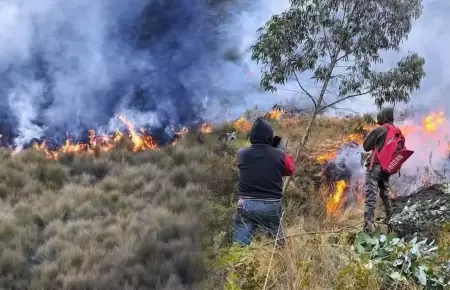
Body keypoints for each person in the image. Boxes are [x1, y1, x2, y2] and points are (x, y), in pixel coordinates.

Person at [232, 117, 295, 246]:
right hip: (271, 205)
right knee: (278, 244)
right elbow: (290, 170)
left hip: (246, 204)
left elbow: (244, 166)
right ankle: (281, 259)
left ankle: (237, 263)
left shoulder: (242, 153)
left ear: (252, 136)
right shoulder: (280, 155)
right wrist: (282, 152)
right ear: (270, 136)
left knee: (238, 248)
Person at [362, 107, 395, 233]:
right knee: (385, 194)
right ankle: (392, 222)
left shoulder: (380, 130)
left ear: (383, 116)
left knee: (371, 196)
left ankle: (368, 228)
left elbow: (366, 146)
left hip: (375, 167)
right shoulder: (396, 131)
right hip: (386, 169)